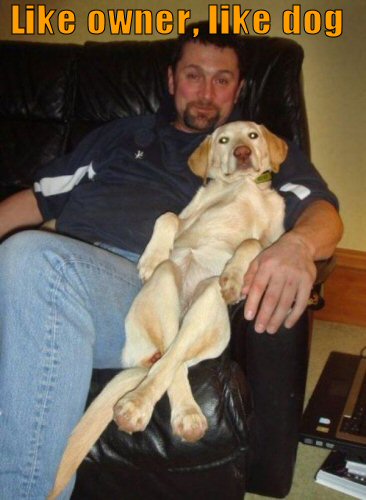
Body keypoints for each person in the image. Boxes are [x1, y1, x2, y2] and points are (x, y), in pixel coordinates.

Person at [0, 22, 342, 499]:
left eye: (222, 79)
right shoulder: (119, 135)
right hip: (57, 264)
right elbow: (36, 201)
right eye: (193, 76)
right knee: (23, 263)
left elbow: (323, 213)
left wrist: (298, 248)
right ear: (170, 80)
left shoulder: (249, 151)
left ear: (239, 88)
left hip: (129, 284)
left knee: (29, 261)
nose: (206, 92)